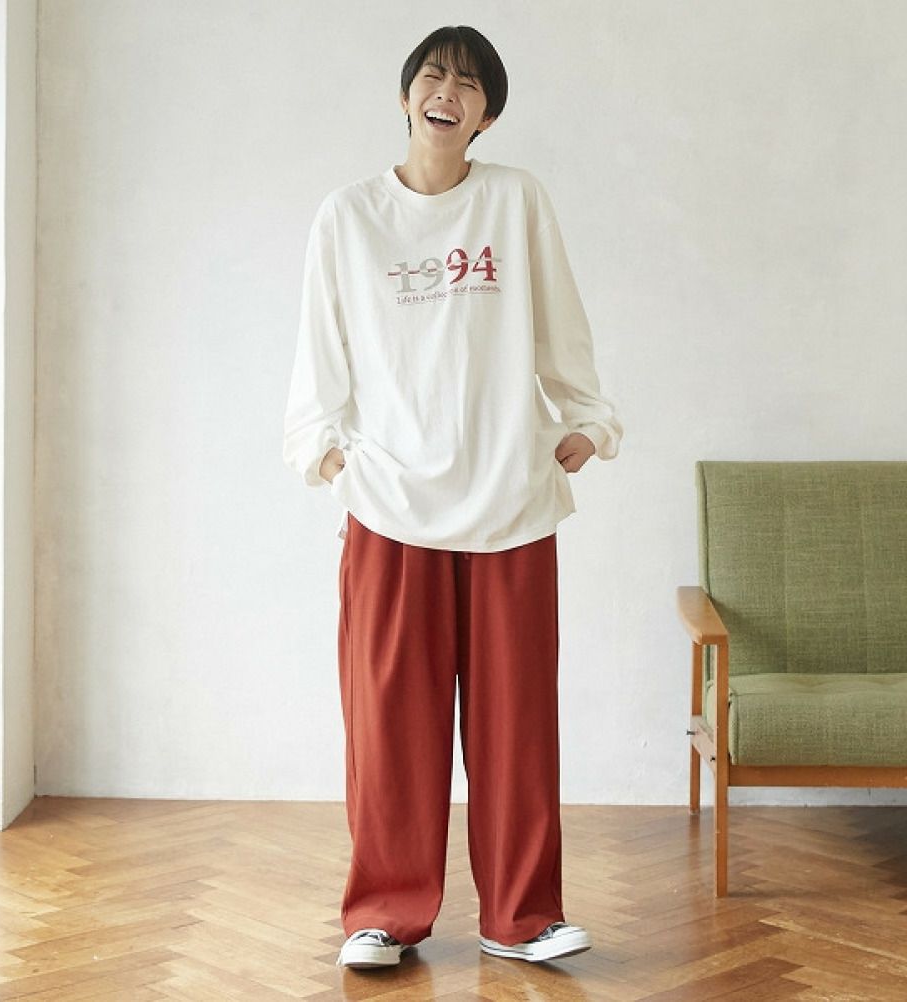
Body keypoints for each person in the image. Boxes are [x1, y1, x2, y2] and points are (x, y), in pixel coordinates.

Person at [282, 25, 623, 970]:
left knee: (518, 727)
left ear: (488, 115)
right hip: (391, 505)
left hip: (510, 498)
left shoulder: (515, 200)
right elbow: (318, 354)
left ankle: (523, 917)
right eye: (433, 76)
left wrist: (590, 421)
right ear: (405, 97)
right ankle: (383, 914)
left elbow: (560, 325)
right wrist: (330, 458)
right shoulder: (349, 216)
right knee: (391, 723)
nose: (448, 92)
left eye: (469, 85)